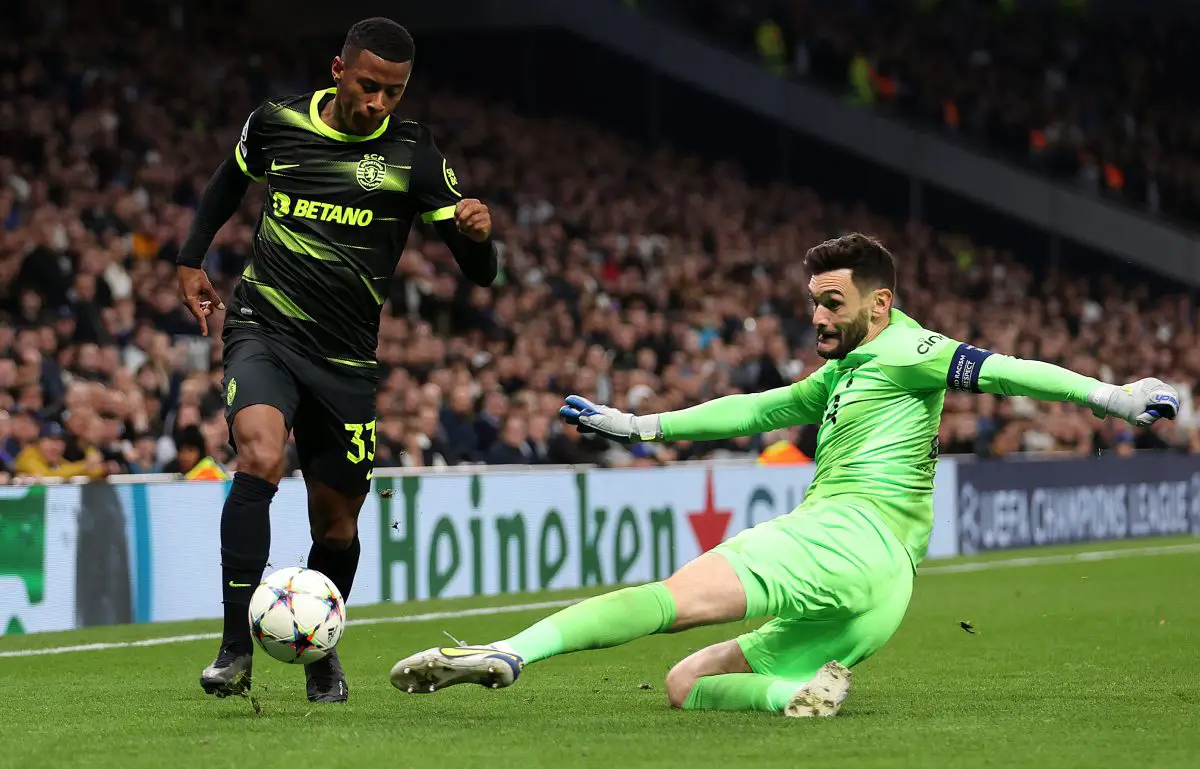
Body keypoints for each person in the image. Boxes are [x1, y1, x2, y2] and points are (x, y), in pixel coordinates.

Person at [389, 233, 1179, 717]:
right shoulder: (846, 372)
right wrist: (640, 425)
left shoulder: (911, 348)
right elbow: (751, 409)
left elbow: (1008, 372)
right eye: (812, 302)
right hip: (882, 596)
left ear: (880, 304)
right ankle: (796, 695)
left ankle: (510, 651)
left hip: (843, 534)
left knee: (668, 600)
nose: (817, 318)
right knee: (685, 682)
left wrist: (1110, 395)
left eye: (832, 302)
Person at [176, 17, 498, 703]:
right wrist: (189, 258)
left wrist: (478, 236)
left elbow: (479, 273)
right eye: (369, 85)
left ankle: (321, 650)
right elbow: (227, 183)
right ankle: (235, 648)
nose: (379, 103)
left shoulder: (414, 153)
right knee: (259, 456)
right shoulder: (278, 123)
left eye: (394, 92)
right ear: (338, 70)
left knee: (338, 524)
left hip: (348, 359)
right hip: (262, 327)